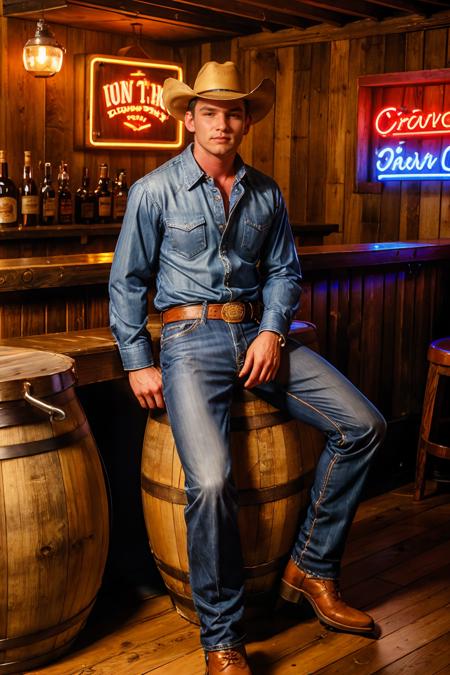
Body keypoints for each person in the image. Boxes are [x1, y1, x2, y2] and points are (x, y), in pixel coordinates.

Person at [109, 60, 386, 675]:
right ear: (189, 118)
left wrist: (270, 331)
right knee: (208, 483)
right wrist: (136, 362)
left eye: (234, 112)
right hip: (187, 342)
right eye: (210, 111)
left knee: (364, 424)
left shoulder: (266, 191)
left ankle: (312, 567)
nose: (223, 122)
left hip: (258, 337)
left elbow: (286, 271)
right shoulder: (153, 190)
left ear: (245, 121)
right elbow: (126, 283)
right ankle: (222, 637)